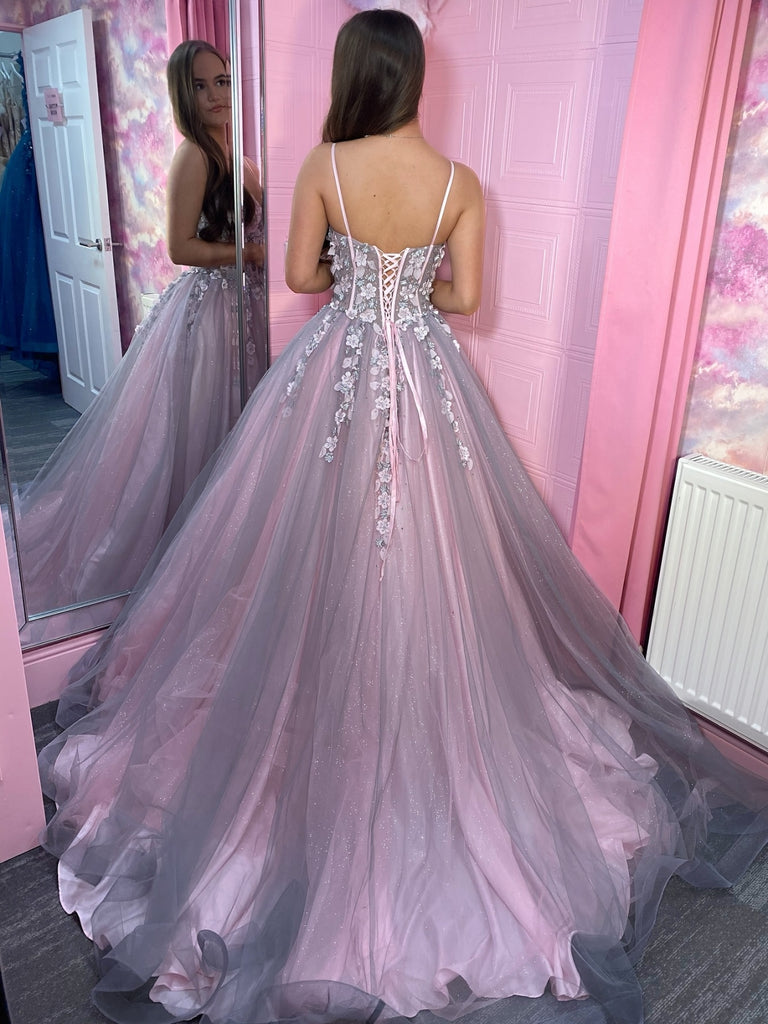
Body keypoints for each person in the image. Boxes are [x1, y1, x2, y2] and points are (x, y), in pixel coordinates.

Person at [38, 12, 768, 1024]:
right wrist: (410, 283)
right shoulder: (460, 183)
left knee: (299, 552)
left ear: (354, 77)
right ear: (417, 78)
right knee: (434, 560)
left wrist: (357, 273)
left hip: (332, 378)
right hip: (426, 385)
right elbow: (466, 298)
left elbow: (300, 276)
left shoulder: (326, 167)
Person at [15, 39, 266, 615]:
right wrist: (250, 255)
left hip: (248, 305)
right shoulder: (195, 156)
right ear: (183, 94)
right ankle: (189, 555)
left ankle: (228, 546)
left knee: (240, 425)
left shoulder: (239, 154)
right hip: (213, 310)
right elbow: (180, 247)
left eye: (222, 81)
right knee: (203, 431)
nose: (215, 95)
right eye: (200, 85)